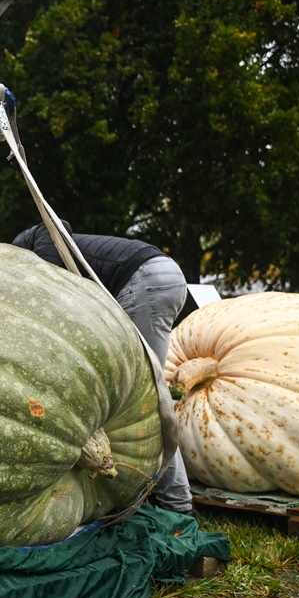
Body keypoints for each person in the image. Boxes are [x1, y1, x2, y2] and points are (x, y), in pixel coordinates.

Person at [13, 221, 194, 516]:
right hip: (157, 276)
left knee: (147, 401)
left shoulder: (24, 242)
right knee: (145, 398)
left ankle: (178, 506)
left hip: (144, 279)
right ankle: (168, 499)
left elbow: (56, 226)